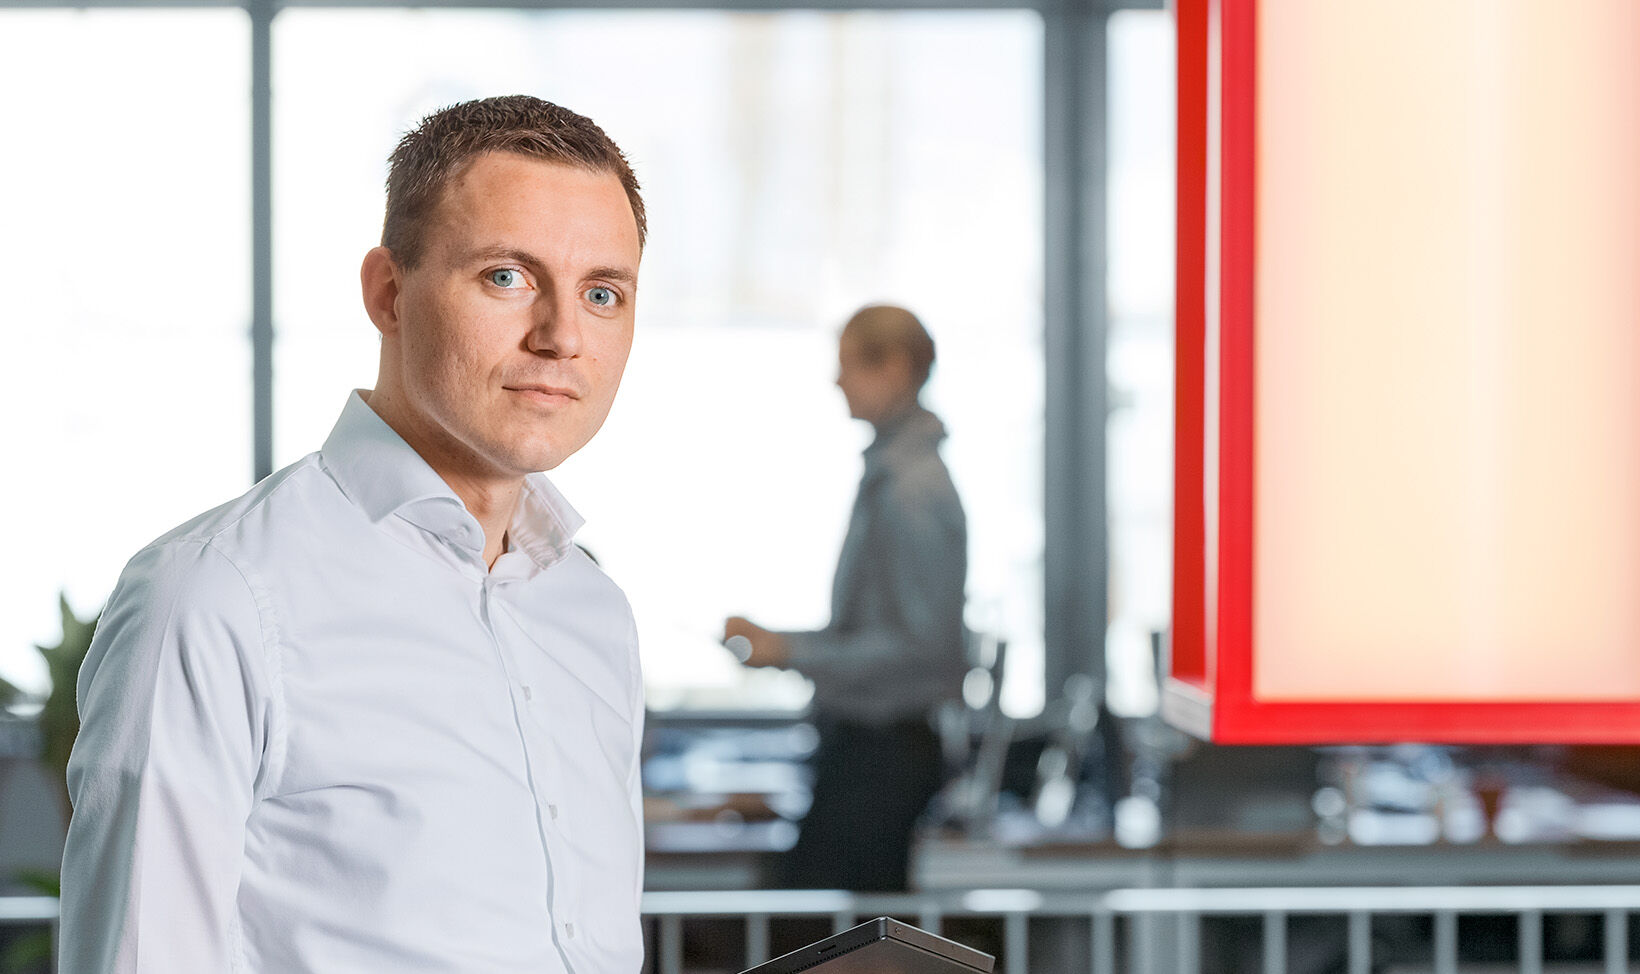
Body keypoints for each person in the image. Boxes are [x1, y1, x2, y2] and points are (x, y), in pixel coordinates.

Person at [59, 95, 650, 972]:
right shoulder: (214, 596)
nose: (561, 335)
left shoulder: (593, 612)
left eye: (602, 293)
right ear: (388, 293)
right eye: (506, 277)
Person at [725, 304, 968, 892]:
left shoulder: (911, 488)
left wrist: (790, 652)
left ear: (896, 369)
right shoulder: (893, 474)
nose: (837, 381)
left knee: (826, 940)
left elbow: (922, 648)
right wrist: (786, 645)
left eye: (849, 366)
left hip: (882, 754)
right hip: (869, 749)